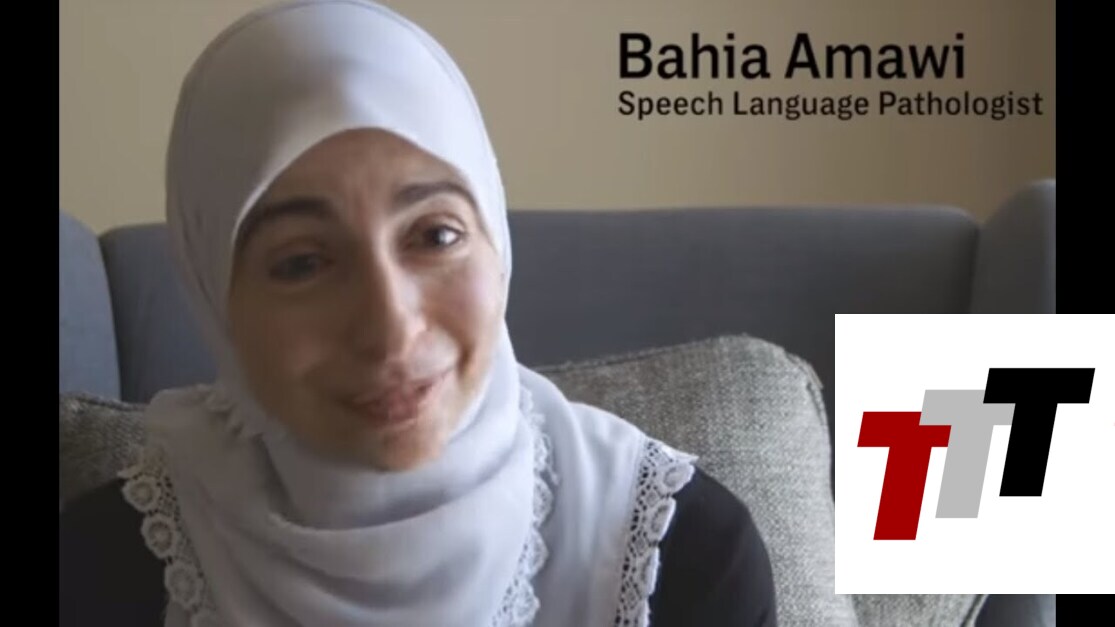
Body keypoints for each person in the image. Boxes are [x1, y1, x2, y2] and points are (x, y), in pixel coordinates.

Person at [58, 1, 777, 625]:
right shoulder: (102, 567)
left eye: (435, 236)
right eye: (302, 263)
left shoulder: (680, 554)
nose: (390, 328)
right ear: (215, 298)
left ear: (495, 243)